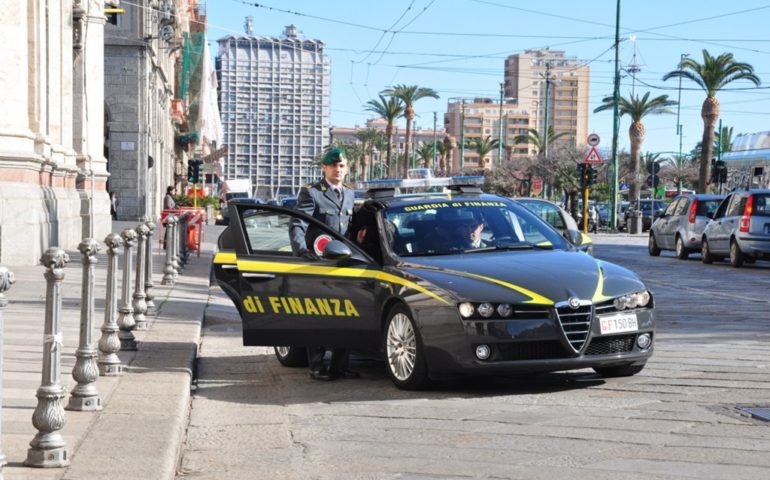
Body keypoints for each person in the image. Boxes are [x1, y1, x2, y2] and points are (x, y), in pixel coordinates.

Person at [289, 147, 358, 381]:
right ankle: (317, 366)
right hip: (319, 263)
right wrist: (302, 251)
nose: (338, 170)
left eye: (342, 166)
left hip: (344, 264)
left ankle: (341, 365)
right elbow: (298, 224)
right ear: (324, 168)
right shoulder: (312, 193)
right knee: (319, 315)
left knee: (346, 316)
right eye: (333, 166)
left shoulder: (349, 194)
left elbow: (351, 230)